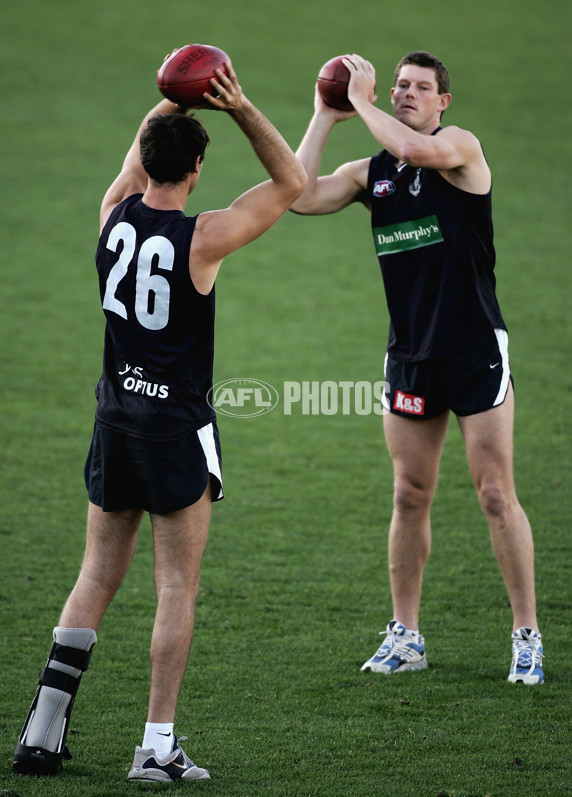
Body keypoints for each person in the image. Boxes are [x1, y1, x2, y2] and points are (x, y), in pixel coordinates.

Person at [12, 55, 306, 782]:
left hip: (113, 424)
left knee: (95, 574)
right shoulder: (202, 239)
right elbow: (292, 183)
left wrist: (169, 96)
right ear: (198, 168)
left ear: (144, 159)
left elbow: (138, 158)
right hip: (174, 432)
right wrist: (235, 105)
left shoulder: (112, 216)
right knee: (176, 586)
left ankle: (41, 733)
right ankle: (156, 745)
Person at [290, 51, 543, 684]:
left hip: (473, 348)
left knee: (493, 493)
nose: (406, 93)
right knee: (409, 495)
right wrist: (326, 115)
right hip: (410, 356)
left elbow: (417, 150)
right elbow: (298, 197)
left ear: (442, 102)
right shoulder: (368, 173)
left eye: (419, 88)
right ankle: (406, 636)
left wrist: (366, 101)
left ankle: (527, 635)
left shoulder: (460, 148)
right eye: (399, 85)